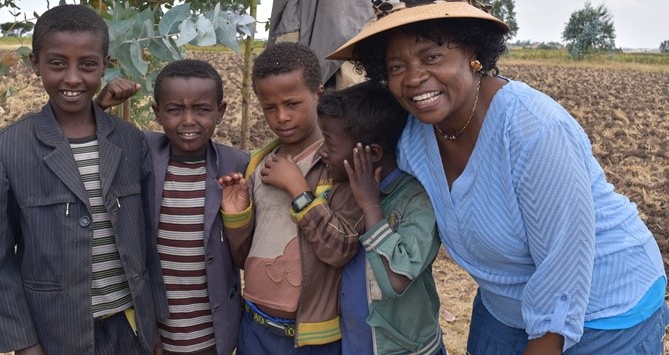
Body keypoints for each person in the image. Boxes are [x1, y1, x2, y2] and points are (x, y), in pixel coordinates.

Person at [327, 0, 669, 354]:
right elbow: (340, 140)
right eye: (396, 67)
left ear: (472, 54)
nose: (414, 78)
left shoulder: (532, 130)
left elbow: (562, 276)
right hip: (507, 303)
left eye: (432, 56)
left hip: (604, 302)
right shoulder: (413, 135)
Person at [0, 4, 167, 354]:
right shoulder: (2, 153)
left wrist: (155, 326)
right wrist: (25, 344)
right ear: (36, 64)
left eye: (88, 64)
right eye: (58, 63)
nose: (73, 78)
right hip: (56, 334)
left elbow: (146, 241)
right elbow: (0, 263)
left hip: (130, 328)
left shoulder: (128, 140)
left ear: (105, 64)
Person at [218, 42, 364, 354]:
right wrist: (236, 217)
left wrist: (298, 189)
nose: (281, 117)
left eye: (292, 104)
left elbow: (340, 249)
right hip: (255, 327)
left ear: (319, 94)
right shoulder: (259, 165)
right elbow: (245, 257)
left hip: (314, 338)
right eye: (269, 108)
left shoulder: (339, 166)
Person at [97, 59, 249, 355]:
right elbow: (89, 139)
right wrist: (100, 107)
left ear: (221, 111)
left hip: (211, 332)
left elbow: (244, 253)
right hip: (153, 332)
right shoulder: (141, 151)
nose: (188, 120)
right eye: (175, 109)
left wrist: (238, 218)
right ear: (157, 112)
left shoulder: (238, 166)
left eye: (202, 109)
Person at [316, 82, 445, 355]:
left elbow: (396, 280)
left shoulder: (415, 202)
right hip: (355, 344)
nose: (321, 152)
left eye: (328, 142)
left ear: (372, 154)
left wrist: (371, 205)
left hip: (406, 350)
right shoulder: (341, 189)